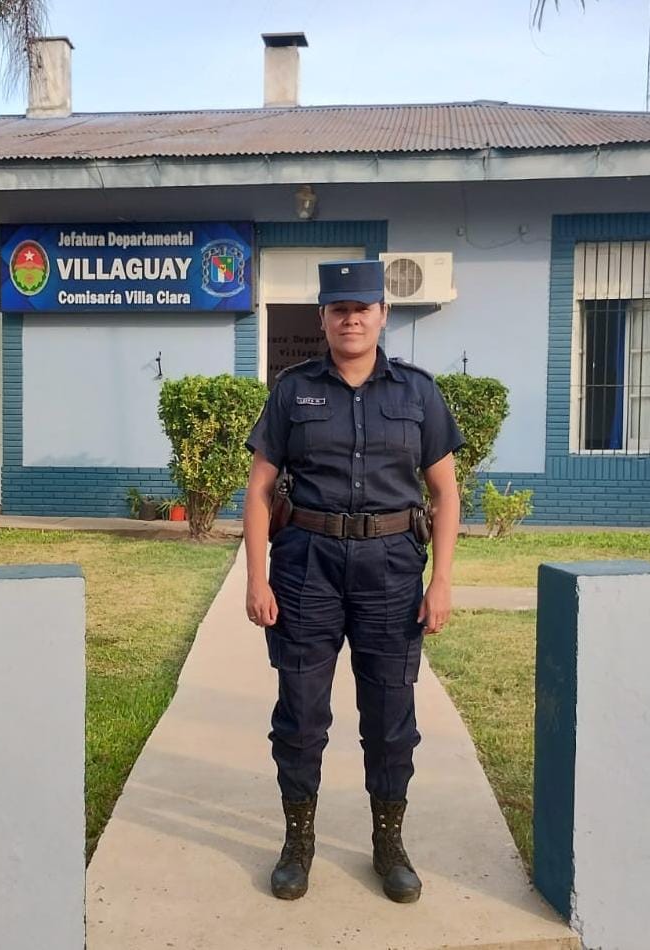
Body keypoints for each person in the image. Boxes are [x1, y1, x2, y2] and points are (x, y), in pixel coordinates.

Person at [243, 259, 463, 904]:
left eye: (362, 308)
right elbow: (258, 492)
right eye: (339, 309)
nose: (351, 319)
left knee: (391, 716)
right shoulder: (293, 391)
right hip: (306, 567)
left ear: (383, 315)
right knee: (301, 714)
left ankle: (389, 844)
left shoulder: (417, 393)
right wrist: (256, 578)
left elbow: (446, 494)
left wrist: (442, 581)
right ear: (323, 318)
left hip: (391, 569)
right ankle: (298, 844)